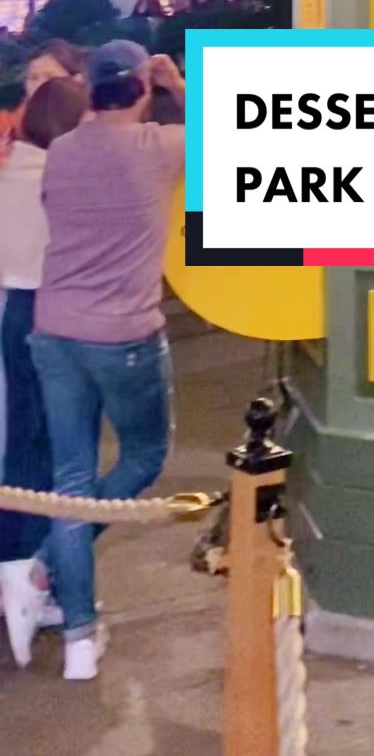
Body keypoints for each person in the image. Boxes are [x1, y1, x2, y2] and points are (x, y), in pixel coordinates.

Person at [30, 39, 184, 680]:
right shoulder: (161, 147)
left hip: (53, 330)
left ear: (89, 90)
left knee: (71, 479)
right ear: (143, 90)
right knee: (143, 456)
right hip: (124, 337)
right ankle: (47, 562)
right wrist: (177, 83)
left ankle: (78, 639)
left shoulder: (64, 151)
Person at [0, 74, 87, 665]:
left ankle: (18, 568)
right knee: (60, 454)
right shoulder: (67, 177)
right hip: (57, 311)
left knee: (21, 447)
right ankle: (33, 575)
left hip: (12, 309)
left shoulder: (11, 168)